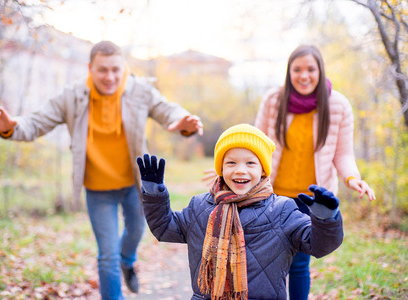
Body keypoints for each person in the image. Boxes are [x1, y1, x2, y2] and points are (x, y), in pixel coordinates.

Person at [0, 40, 203, 300]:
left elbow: (169, 111)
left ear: (123, 67)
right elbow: (36, 121)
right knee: (106, 255)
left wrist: (184, 123)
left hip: (135, 184)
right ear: (90, 68)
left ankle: (127, 260)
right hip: (98, 189)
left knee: (136, 232)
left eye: (115, 69)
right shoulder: (73, 96)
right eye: (102, 70)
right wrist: (10, 126)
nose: (110, 77)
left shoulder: (140, 91)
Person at [136, 124, 344, 300]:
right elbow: (164, 228)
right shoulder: (200, 206)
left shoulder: (282, 210)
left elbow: (319, 245)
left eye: (250, 163)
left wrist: (325, 218)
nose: (240, 170)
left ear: (263, 169)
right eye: (231, 162)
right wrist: (154, 194)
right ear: (221, 168)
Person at [254, 44, 375, 300]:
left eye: (310, 69)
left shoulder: (338, 105)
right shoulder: (274, 100)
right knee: (265, 264)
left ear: (320, 70)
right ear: (289, 72)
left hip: (309, 202)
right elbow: (255, 146)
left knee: (299, 265)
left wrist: (353, 178)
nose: (304, 75)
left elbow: (343, 153)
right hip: (270, 198)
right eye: (297, 69)